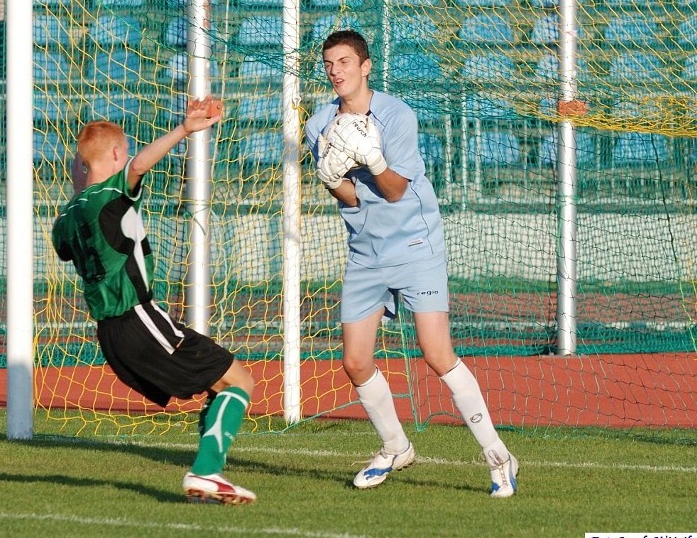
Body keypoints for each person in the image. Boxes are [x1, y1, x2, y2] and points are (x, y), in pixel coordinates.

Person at [304, 30, 519, 497]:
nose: (336, 71)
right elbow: (349, 198)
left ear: (365, 66)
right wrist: (329, 176)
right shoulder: (319, 122)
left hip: (416, 244)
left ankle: (498, 456)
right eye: (328, 64)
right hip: (366, 251)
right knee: (355, 361)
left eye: (344, 62)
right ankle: (395, 446)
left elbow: (396, 189)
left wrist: (371, 156)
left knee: (436, 353)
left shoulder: (398, 115)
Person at [52, 97, 257, 505]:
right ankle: (206, 471)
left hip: (109, 334)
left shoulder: (65, 218)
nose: (128, 159)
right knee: (240, 380)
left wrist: (83, 180)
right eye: (123, 152)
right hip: (139, 317)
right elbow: (140, 166)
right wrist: (185, 130)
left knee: (220, 382)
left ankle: (208, 472)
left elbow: (73, 242)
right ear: (113, 155)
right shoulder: (111, 194)